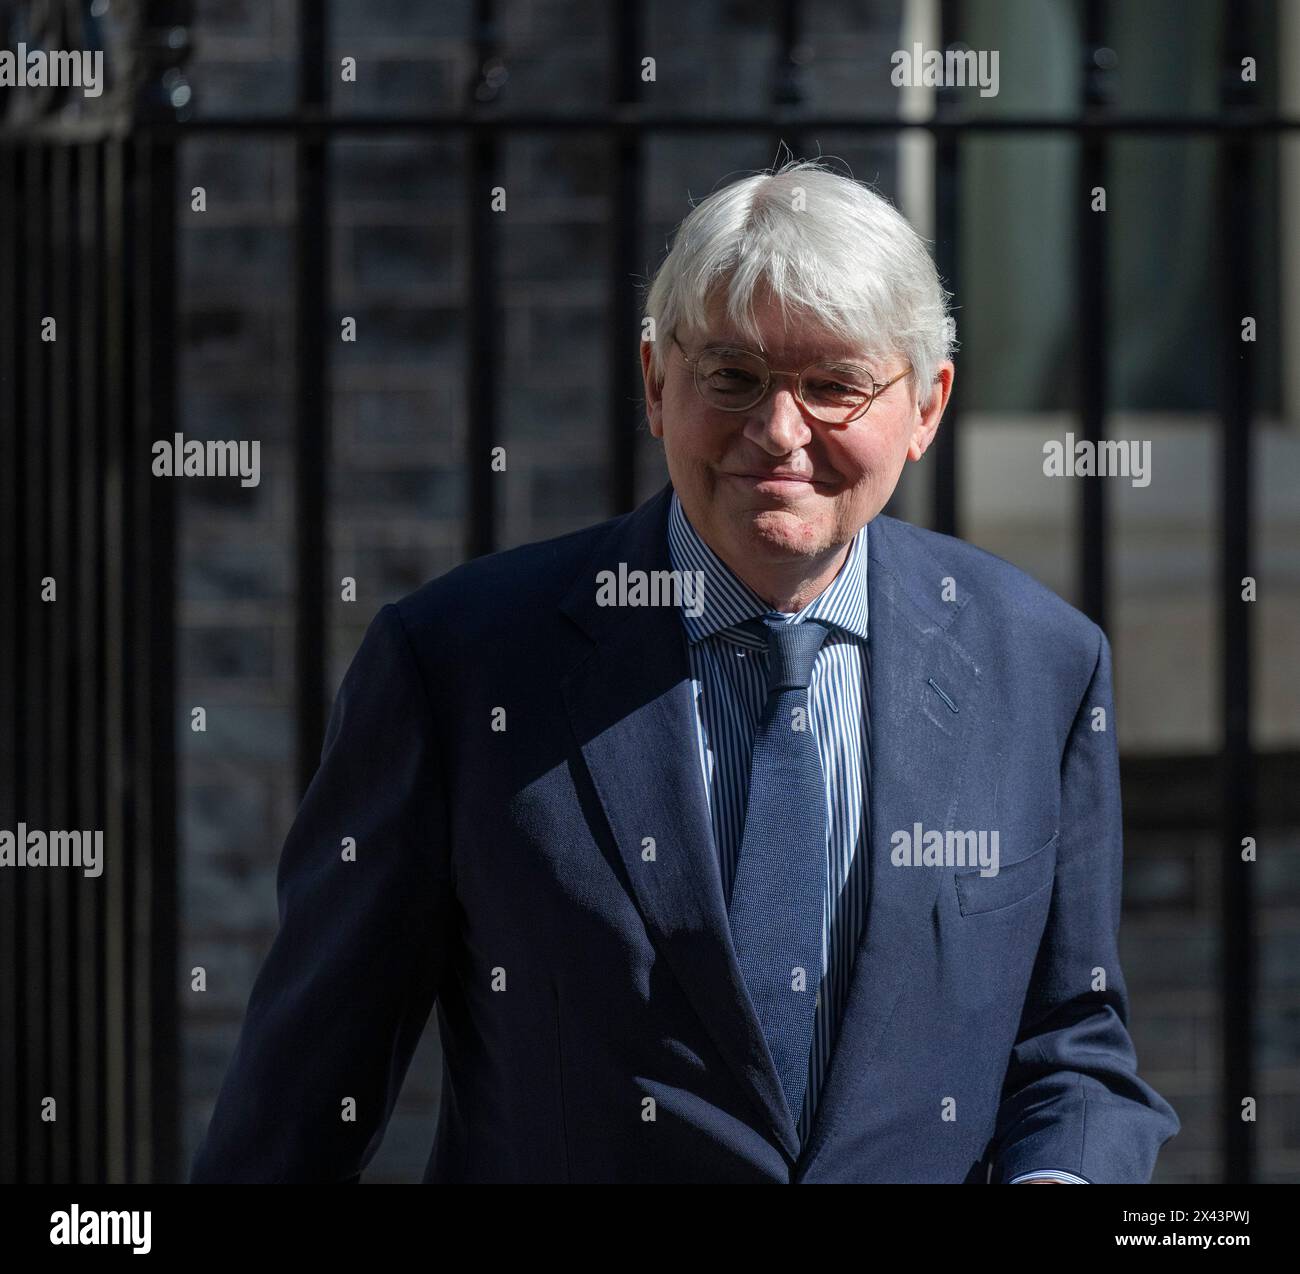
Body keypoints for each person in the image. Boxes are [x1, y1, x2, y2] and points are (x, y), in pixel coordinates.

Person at [190, 158, 1179, 1184]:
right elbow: (304, 1091)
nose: (779, 431)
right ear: (657, 383)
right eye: (733, 377)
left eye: (833, 383)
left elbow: (1071, 1046)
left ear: (926, 407)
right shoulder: (459, 663)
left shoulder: (1039, 661)